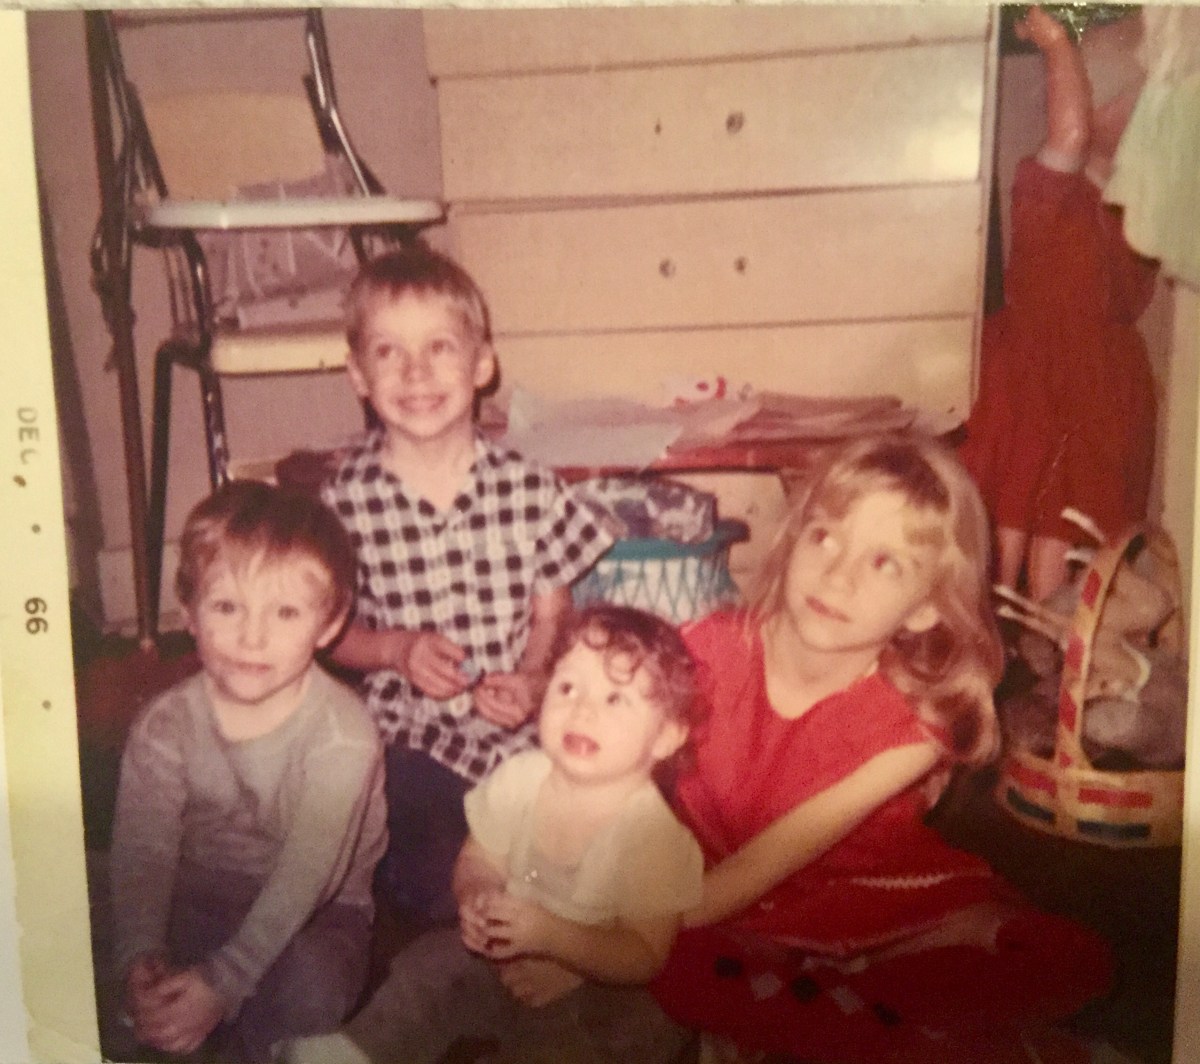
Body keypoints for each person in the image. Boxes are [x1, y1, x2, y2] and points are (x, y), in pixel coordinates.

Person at [651, 433, 1115, 1063]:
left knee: (1071, 960)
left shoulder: (910, 728)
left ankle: (848, 1009)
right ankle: (862, 1015)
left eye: (883, 562)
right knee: (684, 970)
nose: (837, 575)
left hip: (856, 890)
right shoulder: (703, 649)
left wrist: (626, 937)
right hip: (718, 887)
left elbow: (775, 856)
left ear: (923, 610)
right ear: (793, 541)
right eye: (824, 536)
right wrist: (594, 930)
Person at [320, 244, 615, 923]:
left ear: (482, 365)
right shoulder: (344, 501)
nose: (416, 371)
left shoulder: (530, 490)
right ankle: (461, 911)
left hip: (518, 732)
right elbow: (330, 635)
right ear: (358, 375)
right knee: (417, 853)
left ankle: (533, 904)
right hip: (409, 736)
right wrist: (396, 650)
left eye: (440, 348)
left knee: (597, 824)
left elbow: (552, 615)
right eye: (389, 352)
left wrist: (534, 679)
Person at [285, 604, 703, 1064]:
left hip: (592, 982)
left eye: (615, 699)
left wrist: (556, 943)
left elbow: (643, 953)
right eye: (567, 687)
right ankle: (355, 1050)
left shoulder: (654, 836)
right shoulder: (520, 777)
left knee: (635, 1028)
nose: (582, 710)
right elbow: (478, 859)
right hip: (502, 956)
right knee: (432, 966)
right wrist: (477, 896)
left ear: (666, 736)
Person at [109, 480, 386, 1063]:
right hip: (197, 888)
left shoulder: (344, 735)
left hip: (316, 912)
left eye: (285, 612)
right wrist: (139, 956)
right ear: (189, 613)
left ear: (329, 624)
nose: (252, 637)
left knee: (312, 986)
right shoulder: (164, 724)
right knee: (70, 929)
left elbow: (308, 875)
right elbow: (144, 849)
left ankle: (246, 1036)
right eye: (227, 606)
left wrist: (223, 982)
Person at [960, 6, 1157, 602]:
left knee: (1069, 530)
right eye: (1133, 104)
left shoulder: (1137, 208)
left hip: (1101, 386)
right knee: (1009, 521)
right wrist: (1056, 43)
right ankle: (990, 628)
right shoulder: (1051, 185)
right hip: (1033, 371)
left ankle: (1053, 640)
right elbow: (1071, 133)